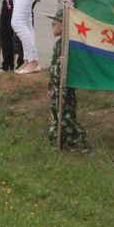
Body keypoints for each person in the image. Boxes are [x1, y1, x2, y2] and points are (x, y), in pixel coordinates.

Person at [48, 9, 89, 151]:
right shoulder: (58, 44)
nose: (52, 25)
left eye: (55, 23)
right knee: (55, 115)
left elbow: (76, 65)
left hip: (64, 88)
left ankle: (78, 140)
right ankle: (58, 140)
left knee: (66, 116)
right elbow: (53, 68)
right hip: (55, 87)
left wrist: (67, 62)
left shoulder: (69, 45)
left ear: (63, 25)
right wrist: (50, 87)